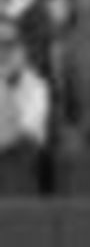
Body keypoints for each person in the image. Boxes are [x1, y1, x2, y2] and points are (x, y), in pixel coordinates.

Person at [0, 13, 49, 157]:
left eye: (8, 44)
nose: (3, 51)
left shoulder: (37, 88)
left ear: (23, 47)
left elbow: (26, 137)